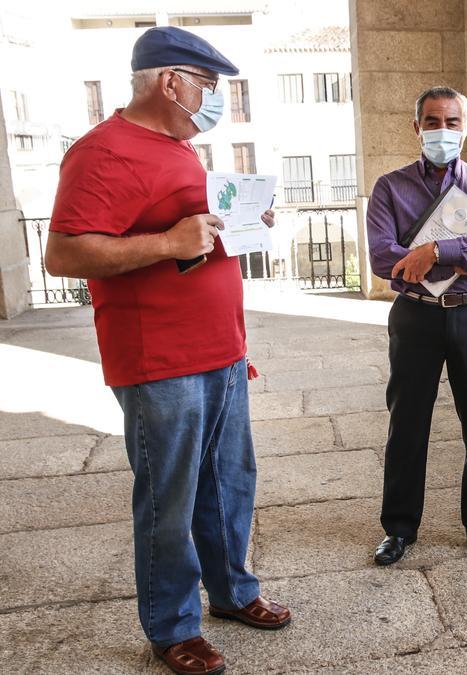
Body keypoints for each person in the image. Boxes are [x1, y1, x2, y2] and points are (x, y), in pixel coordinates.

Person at [42, 26, 289, 675]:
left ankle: (233, 590)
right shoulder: (101, 153)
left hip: (223, 351)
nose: (213, 102)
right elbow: (65, 250)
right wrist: (167, 243)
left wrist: (239, 223)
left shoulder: (181, 149)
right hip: (161, 362)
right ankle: (173, 627)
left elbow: (187, 230)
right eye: (208, 87)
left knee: (230, 483)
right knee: (170, 498)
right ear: (170, 81)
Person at [366, 86, 467, 565]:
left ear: (466, 127)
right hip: (415, 317)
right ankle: (398, 528)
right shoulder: (390, 188)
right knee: (407, 422)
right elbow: (380, 256)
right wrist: (446, 258)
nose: (442, 130)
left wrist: (436, 252)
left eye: (451, 122)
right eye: (432, 121)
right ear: (417, 127)